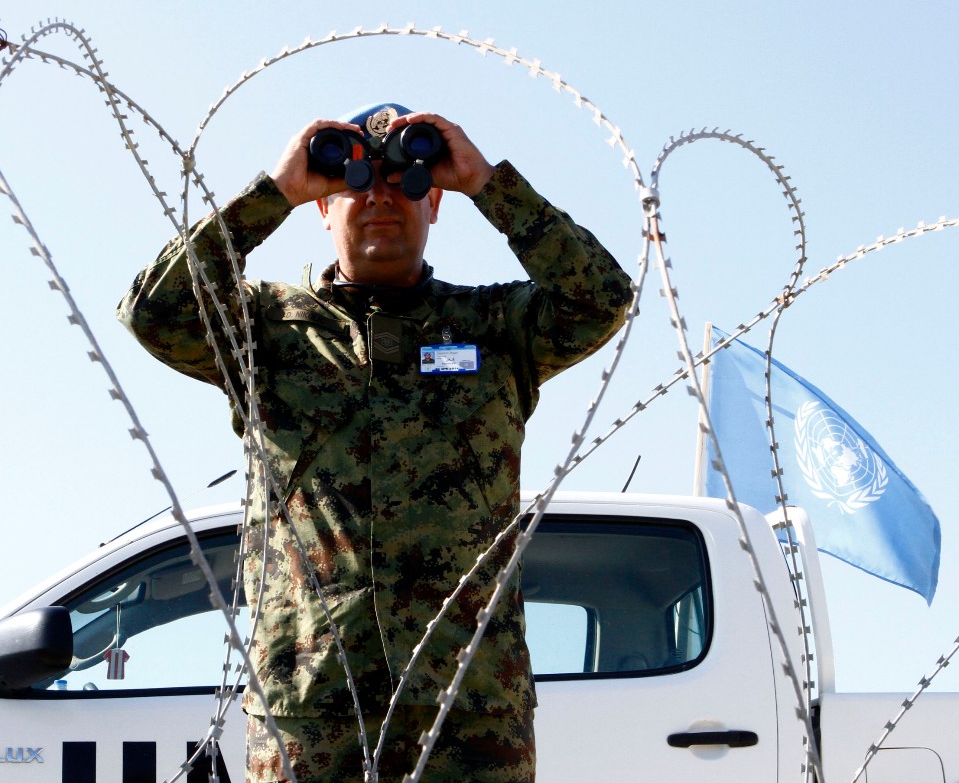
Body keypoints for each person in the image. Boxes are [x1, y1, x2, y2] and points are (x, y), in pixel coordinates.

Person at [118, 102, 633, 782]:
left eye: (404, 180)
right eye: (355, 184)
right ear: (323, 208)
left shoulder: (494, 328)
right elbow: (154, 313)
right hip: (311, 713)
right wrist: (272, 195)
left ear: (434, 204)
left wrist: (488, 184)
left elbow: (601, 297)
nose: (380, 197)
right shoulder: (265, 330)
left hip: (467, 715)